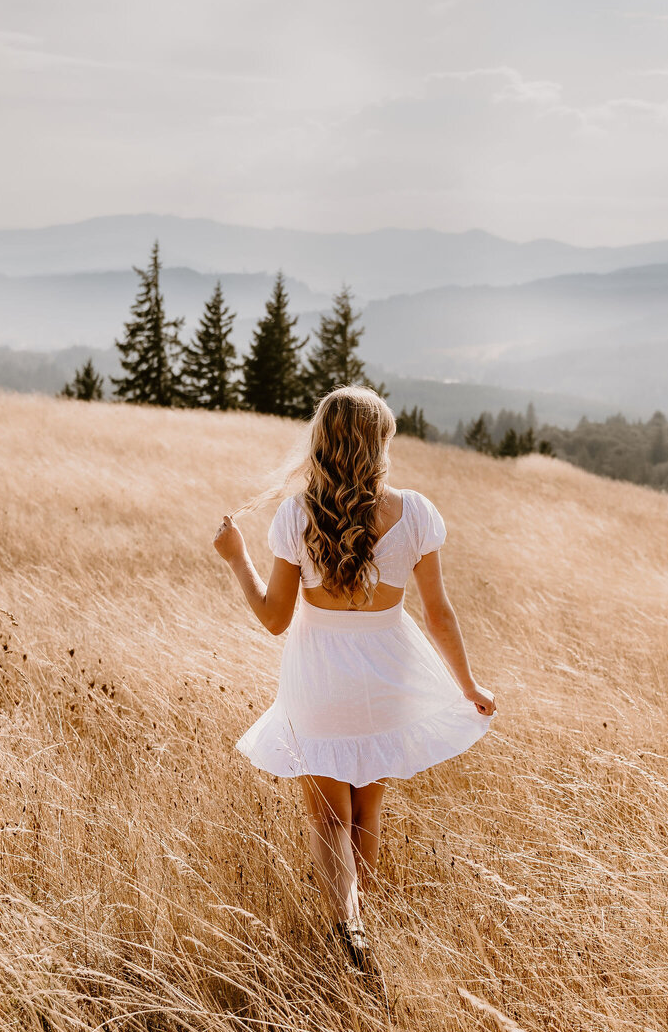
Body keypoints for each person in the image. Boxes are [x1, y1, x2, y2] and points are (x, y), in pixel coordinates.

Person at [212, 386, 496, 969]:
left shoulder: (296, 515)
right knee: (368, 811)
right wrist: (469, 686)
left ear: (323, 443)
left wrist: (236, 557)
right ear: (378, 445)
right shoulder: (414, 512)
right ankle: (364, 927)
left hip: (318, 679)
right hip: (386, 677)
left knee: (327, 818)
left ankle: (349, 927)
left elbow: (275, 619)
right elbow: (439, 613)